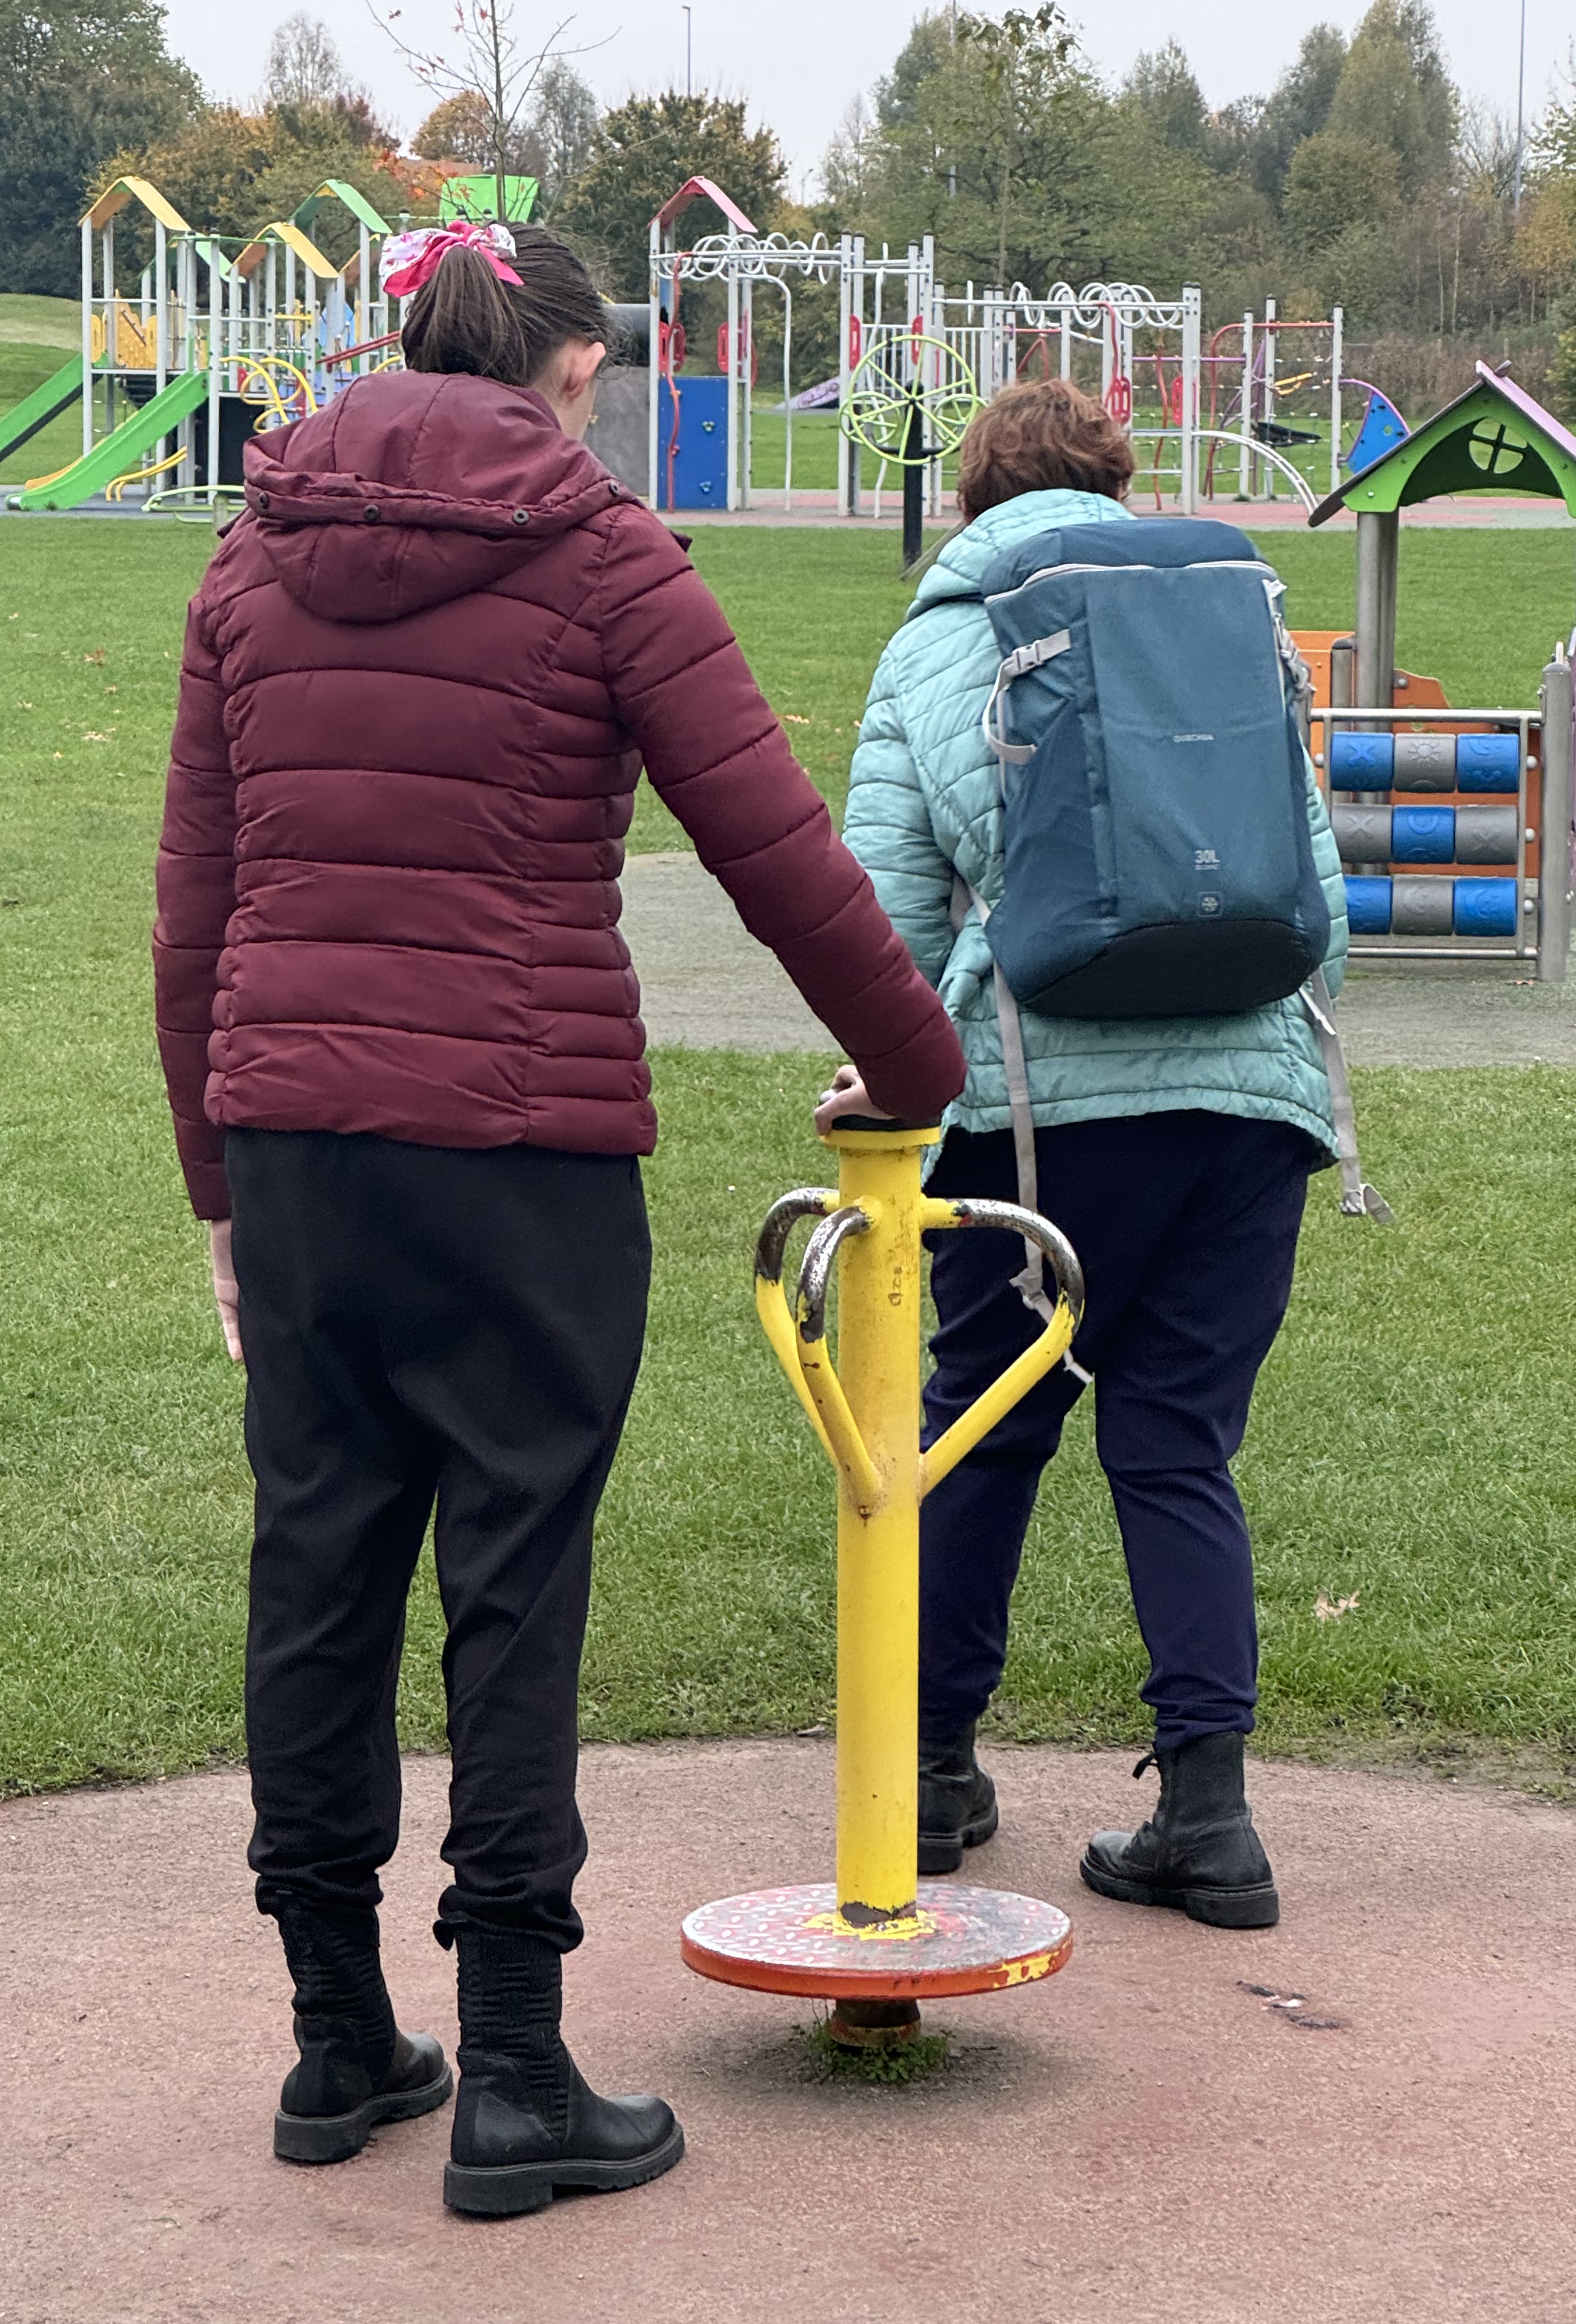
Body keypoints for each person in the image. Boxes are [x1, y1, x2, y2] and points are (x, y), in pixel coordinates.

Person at [153, 220, 964, 2216]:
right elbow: (776, 846)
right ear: (577, 362)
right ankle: (514, 2063)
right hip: (521, 1147)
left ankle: (338, 2037)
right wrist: (917, 1067)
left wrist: (218, 1192)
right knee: (515, 1583)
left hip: (299, 1142)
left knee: (317, 1570)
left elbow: (196, 904)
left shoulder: (252, 554)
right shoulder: (604, 553)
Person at [822, 377, 1347, 1931]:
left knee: (982, 1433)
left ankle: (926, 1777)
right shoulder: (1233, 621)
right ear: (1120, 482)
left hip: (1034, 1114)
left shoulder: (940, 640)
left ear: (973, 498)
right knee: (1179, 1445)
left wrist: (888, 1072)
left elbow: (885, 910)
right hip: (1251, 1104)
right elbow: (1314, 889)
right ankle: (1211, 1813)